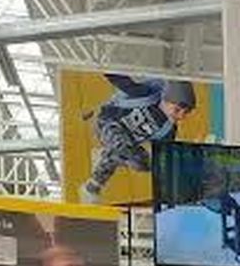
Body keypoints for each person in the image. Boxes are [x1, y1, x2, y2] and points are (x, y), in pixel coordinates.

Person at [80, 74, 197, 202]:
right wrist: (108, 70)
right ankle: (93, 186)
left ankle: (109, 155)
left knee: (143, 164)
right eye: (177, 110)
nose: (180, 116)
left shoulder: (168, 128)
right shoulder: (145, 95)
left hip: (129, 142)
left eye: (186, 113)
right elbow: (123, 83)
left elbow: (164, 153)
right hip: (107, 123)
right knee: (121, 144)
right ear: (165, 100)